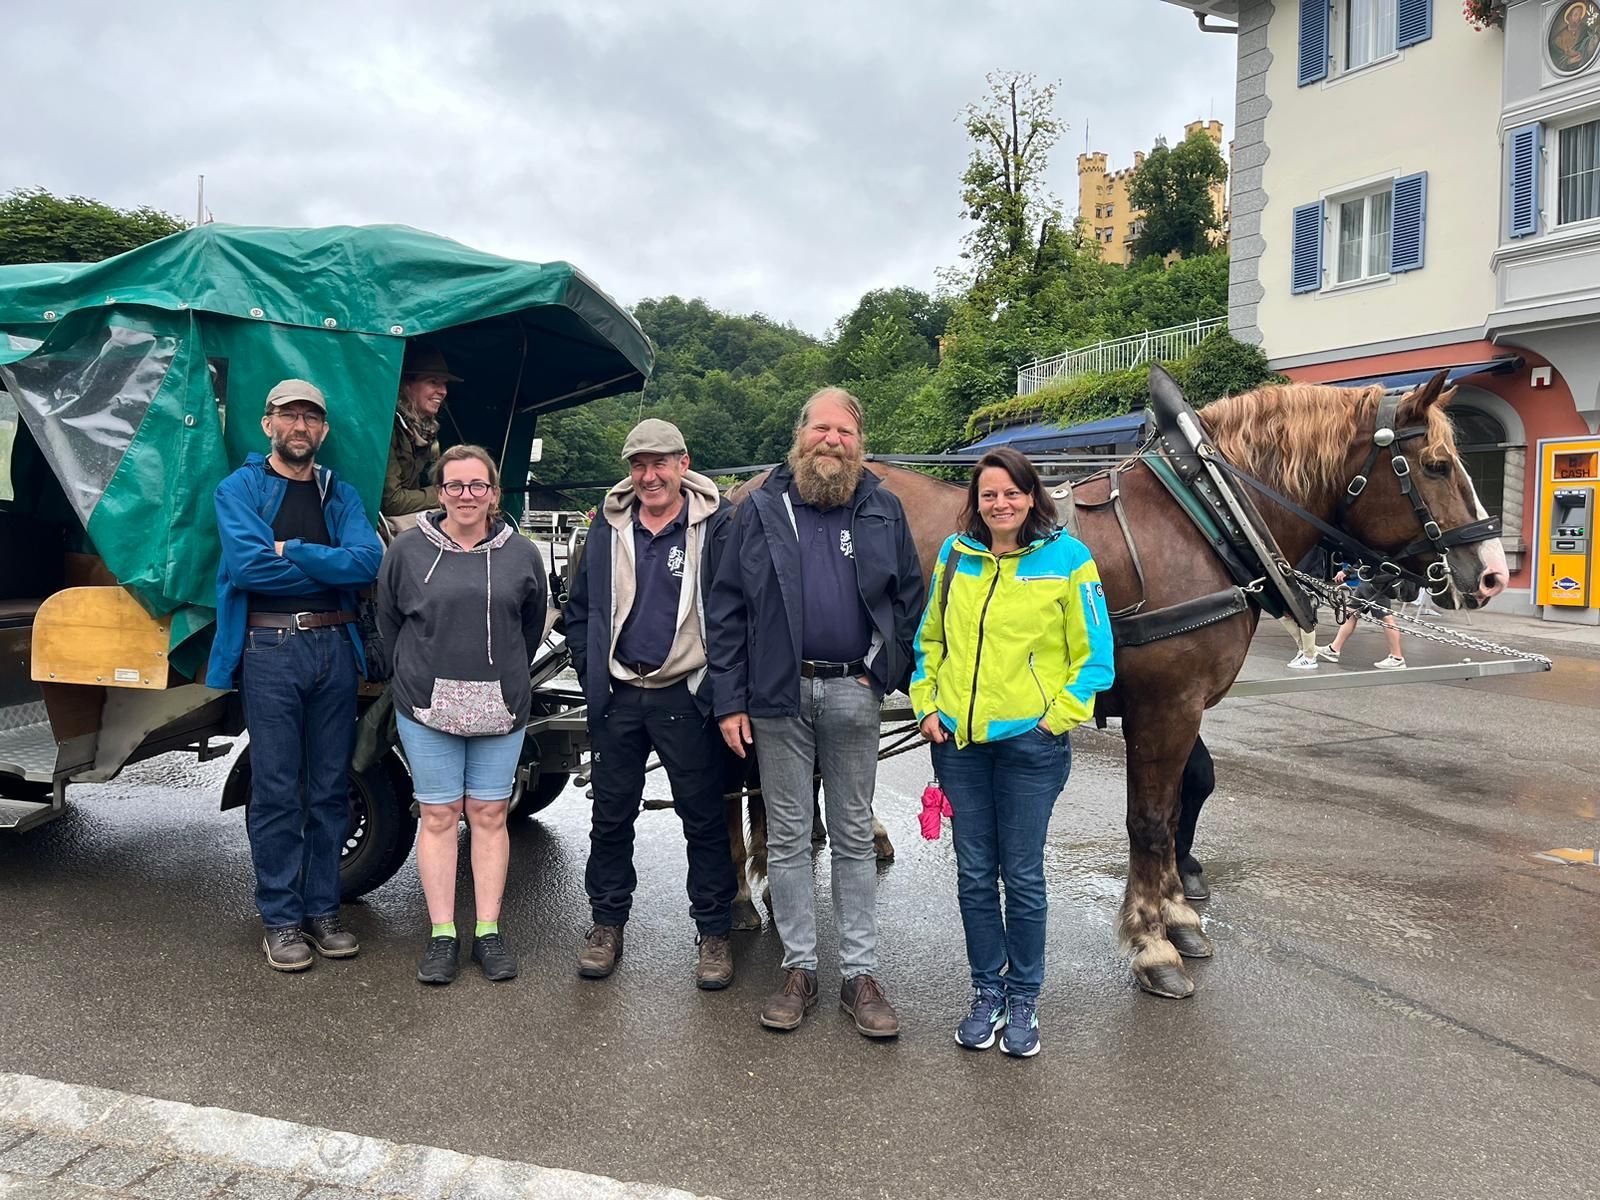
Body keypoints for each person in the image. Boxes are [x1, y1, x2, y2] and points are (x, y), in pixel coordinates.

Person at [708, 387, 925, 1038]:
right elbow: (726, 609)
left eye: (845, 432)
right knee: (790, 836)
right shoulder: (759, 508)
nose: (832, 440)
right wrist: (730, 698)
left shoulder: (883, 507)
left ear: (859, 443)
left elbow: (909, 599)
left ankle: (860, 975)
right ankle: (799, 968)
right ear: (800, 435)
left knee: (853, 834)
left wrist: (882, 670)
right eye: (821, 429)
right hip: (779, 694)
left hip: (854, 691)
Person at [911, 447, 1114, 1057]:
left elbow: (1095, 659)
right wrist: (927, 703)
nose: (1000, 504)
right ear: (976, 502)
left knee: (1021, 875)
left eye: (1011, 493)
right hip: (960, 746)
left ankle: (1024, 996)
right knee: (974, 874)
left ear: (1031, 497)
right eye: (988, 495)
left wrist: (1052, 722)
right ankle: (986, 992)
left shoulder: (1069, 559)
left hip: (1031, 746)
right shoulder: (956, 556)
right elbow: (930, 638)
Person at [206, 379, 384, 972]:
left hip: (335, 647)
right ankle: (281, 920)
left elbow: (366, 563)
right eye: (289, 416)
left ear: (323, 430)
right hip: (270, 648)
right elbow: (250, 569)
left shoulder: (340, 492)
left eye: (310, 417)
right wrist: (326, 565)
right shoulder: (239, 489)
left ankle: (323, 910)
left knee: (330, 788)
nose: (299, 426)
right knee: (278, 789)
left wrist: (292, 550)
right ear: (268, 424)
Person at [564, 418, 739, 990]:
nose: (649, 475)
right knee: (610, 817)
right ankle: (606, 924)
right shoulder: (608, 526)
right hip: (619, 693)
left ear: (683, 464)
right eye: (639, 465)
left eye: (660, 463)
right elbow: (580, 608)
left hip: (684, 692)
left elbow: (737, 610)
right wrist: (591, 670)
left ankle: (713, 931)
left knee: (703, 818)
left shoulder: (718, 525)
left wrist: (717, 689)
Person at [376, 444, 548, 984]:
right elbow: (389, 623)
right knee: (439, 815)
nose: (466, 495)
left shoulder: (523, 554)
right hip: (426, 704)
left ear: (494, 493)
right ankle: (443, 933)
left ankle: (488, 932)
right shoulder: (406, 551)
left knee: (490, 815)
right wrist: (415, 675)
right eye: (455, 485)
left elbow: (530, 626)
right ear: (440, 491)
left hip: (500, 705)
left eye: (477, 485)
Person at [381, 343, 459, 525]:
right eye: (433, 382)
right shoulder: (390, 428)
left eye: (444, 384)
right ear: (407, 385)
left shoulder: (425, 430)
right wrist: (447, 492)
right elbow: (391, 501)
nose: (443, 391)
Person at [1317, 566, 1408, 669]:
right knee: (1351, 612)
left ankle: (1397, 658)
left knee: (1385, 617)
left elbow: (1366, 558)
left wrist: (1346, 571)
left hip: (1376, 579)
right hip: (1367, 578)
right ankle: (1333, 649)